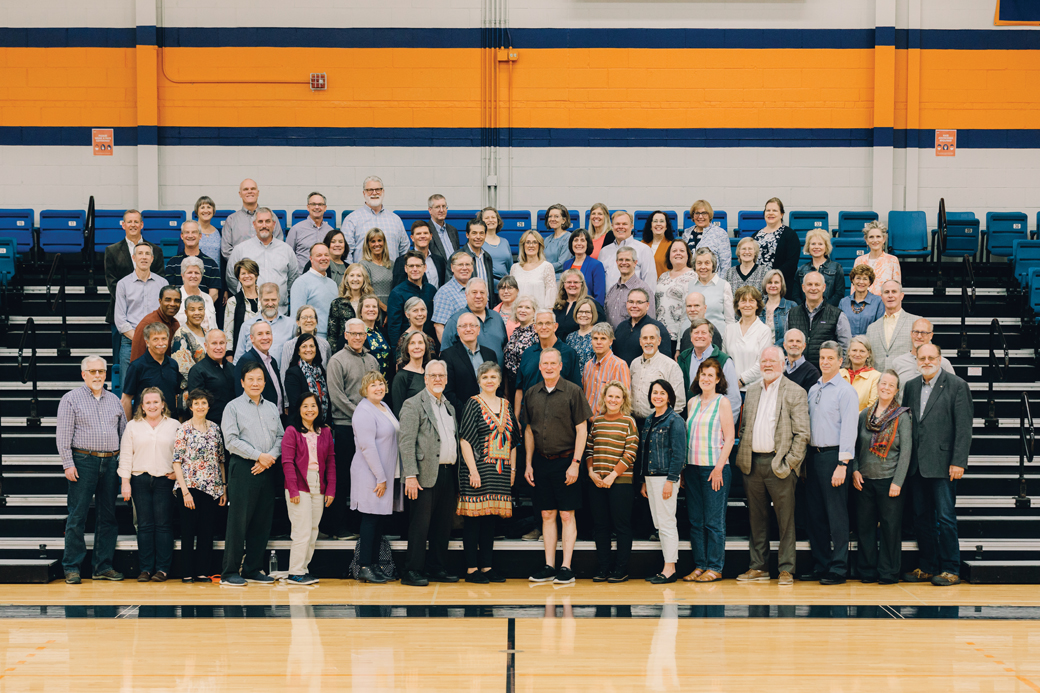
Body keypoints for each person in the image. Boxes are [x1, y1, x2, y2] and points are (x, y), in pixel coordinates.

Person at [734, 346, 810, 586]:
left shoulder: (795, 391)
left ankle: (786, 568)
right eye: (763, 361)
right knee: (756, 519)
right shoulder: (753, 391)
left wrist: (789, 464)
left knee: (785, 520)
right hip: (753, 464)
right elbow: (745, 427)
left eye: (772, 361)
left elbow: (802, 434)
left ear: (782, 363)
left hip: (781, 464)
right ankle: (758, 567)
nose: (767, 365)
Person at [902, 344, 972, 587]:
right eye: (922, 358)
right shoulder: (911, 386)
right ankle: (928, 566)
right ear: (917, 360)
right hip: (917, 465)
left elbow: (964, 428)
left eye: (932, 357)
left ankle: (951, 568)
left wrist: (958, 462)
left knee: (945, 517)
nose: (927, 361)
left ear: (940, 359)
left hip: (944, 465)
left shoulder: (957, 385)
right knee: (921, 517)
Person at [523, 349, 594, 584]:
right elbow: (529, 431)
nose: (549, 367)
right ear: (540, 367)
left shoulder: (573, 391)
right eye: (545, 363)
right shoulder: (532, 393)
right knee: (546, 514)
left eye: (553, 363)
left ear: (560, 365)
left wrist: (576, 463)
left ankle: (566, 567)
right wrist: (528, 464)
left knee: (566, 514)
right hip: (541, 462)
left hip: (567, 461)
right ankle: (549, 565)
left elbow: (582, 429)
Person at [57, 356, 127, 584]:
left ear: (106, 374)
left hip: (110, 462)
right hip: (83, 461)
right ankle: (72, 567)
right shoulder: (71, 399)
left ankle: (102, 566)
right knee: (77, 516)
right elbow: (63, 435)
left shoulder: (114, 400)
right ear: (83, 374)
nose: (98, 375)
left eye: (101, 371)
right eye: (92, 371)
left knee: (108, 516)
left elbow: (123, 432)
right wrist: (68, 463)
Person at [220, 362, 285, 586]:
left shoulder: (270, 408)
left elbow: (281, 437)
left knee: (262, 521)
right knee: (239, 522)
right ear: (242, 382)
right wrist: (258, 456)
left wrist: (268, 459)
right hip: (244, 467)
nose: (255, 383)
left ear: (265, 382)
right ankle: (229, 572)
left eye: (259, 379)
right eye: (251, 379)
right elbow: (231, 441)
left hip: (267, 467)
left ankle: (253, 568)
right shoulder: (233, 407)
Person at [399, 360, 461, 587]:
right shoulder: (413, 404)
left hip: (446, 472)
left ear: (446, 379)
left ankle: (437, 567)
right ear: (425, 379)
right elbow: (406, 443)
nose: (437, 379)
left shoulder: (449, 407)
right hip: (423, 475)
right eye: (433, 375)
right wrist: (411, 476)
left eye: (441, 376)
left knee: (443, 525)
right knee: (420, 525)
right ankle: (412, 570)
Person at [804, 341, 860, 585]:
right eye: (822, 358)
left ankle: (838, 567)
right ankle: (821, 563)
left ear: (840, 361)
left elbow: (849, 428)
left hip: (834, 458)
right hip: (813, 456)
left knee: (836, 515)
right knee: (815, 514)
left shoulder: (845, 391)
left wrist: (843, 464)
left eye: (830, 358)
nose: (825, 362)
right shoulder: (814, 389)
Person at [458, 361, 519, 583]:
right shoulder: (473, 404)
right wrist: (473, 471)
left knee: (490, 522)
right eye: (485, 378)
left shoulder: (506, 405)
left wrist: (512, 469)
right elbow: (465, 439)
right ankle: (471, 569)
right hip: (478, 471)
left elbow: (512, 441)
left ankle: (487, 567)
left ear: (500, 380)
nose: (490, 381)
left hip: (500, 472)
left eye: (493, 377)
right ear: (479, 381)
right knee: (474, 521)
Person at [853, 370, 912, 585]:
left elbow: (906, 451)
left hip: (890, 481)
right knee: (865, 527)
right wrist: (855, 470)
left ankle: (888, 572)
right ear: (877, 386)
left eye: (891, 385)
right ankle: (867, 571)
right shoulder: (864, 415)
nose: (886, 387)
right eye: (883, 383)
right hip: (864, 480)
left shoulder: (902, 416)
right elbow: (856, 446)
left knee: (890, 529)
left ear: (896, 390)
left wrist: (898, 481)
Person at [683, 361, 736, 583]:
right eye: (702, 374)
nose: (705, 378)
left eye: (710, 375)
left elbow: (730, 438)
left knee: (714, 522)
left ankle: (715, 566)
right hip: (693, 469)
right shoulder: (692, 402)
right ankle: (700, 565)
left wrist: (719, 467)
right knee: (696, 521)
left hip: (715, 468)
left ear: (717, 379)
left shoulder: (722, 402)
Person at [119, 387, 180, 582]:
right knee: (144, 525)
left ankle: (162, 569)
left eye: (156, 402)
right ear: (142, 407)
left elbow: (182, 454)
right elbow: (127, 455)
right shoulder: (133, 426)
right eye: (148, 403)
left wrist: (178, 476)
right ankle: (145, 568)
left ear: (163, 404)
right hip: (140, 479)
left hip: (165, 480)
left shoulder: (175, 425)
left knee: (163, 525)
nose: (152, 405)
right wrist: (125, 482)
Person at [326, 319, 380, 539]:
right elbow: (337, 397)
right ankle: (338, 527)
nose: (358, 337)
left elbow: (377, 390)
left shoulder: (372, 360)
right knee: (343, 478)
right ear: (346, 335)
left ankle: (359, 526)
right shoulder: (337, 361)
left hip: (369, 430)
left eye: (361, 334)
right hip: (346, 428)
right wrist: (362, 416)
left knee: (365, 479)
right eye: (353, 334)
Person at [350, 372, 404, 583]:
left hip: (384, 474)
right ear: (365, 388)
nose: (378, 387)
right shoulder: (363, 411)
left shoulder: (383, 406)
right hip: (371, 474)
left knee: (379, 520)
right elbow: (367, 447)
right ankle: (364, 566)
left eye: (381, 383)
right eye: (373, 384)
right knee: (370, 519)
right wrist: (381, 478)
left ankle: (374, 565)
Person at [585, 381, 639, 582]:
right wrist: (591, 472)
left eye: (617, 397)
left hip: (620, 483)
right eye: (610, 396)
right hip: (597, 482)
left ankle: (621, 569)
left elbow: (630, 453)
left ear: (623, 400)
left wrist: (612, 475)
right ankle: (603, 567)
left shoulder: (629, 422)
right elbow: (589, 448)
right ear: (604, 398)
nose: (613, 400)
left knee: (621, 526)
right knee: (601, 526)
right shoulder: (597, 422)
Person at [281, 393, 336, 585]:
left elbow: (330, 461)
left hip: (318, 484)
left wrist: (330, 489)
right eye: (305, 406)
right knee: (301, 530)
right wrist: (293, 490)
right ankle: (295, 572)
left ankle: (303, 569)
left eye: (313, 406)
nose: (310, 409)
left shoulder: (325, 432)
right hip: (299, 485)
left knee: (313, 530)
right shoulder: (292, 431)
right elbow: (287, 462)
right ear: (299, 409)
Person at [172, 388, 227, 583]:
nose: (200, 406)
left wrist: (223, 487)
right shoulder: (183, 428)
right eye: (196, 403)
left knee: (206, 531)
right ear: (190, 406)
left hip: (211, 487)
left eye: (203, 403)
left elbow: (220, 460)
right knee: (188, 531)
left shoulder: (215, 428)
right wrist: (185, 491)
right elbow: (176, 461)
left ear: (208, 406)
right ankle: (187, 572)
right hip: (189, 487)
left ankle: (203, 572)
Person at [638, 379, 686, 584]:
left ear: (669, 397)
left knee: (667, 523)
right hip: (650, 477)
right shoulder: (649, 420)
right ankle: (666, 567)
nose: (657, 396)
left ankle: (670, 569)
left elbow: (679, 454)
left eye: (662, 393)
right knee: (660, 524)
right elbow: (646, 452)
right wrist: (643, 481)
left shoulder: (675, 420)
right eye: (654, 392)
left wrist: (671, 480)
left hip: (666, 477)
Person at [105, 210, 164, 366]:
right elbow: (112, 282)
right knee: (122, 365)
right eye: (129, 222)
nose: (133, 225)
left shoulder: (155, 251)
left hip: (151, 320)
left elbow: (159, 283)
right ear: (123, 225)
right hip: (123, 317)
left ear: (141, 224)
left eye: (136, 222)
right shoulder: (111, 251)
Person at [225, 208, 299, 315]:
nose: (264, 225)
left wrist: (281, 295)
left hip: (279, 312)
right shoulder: (240, 249)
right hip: (248, 312)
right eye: (260, 222)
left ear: (274, 224)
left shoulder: (286, 250)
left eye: (268, 221)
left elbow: (293, 278)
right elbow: (232, 278)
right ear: (254, 225)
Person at [114, 243, 170, 380]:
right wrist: (140, 339)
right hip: (130, 343)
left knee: (156, 387)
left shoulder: (163, 283)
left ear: (152, 258)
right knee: (127, 388)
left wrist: (153, 340)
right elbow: (120, 320)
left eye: (147, 254)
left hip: (158, 343)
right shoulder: (123, 284)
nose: (143, 257)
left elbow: (166, 315)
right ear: (134, 257)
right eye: (140, 253)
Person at [513, 311, 581, 413]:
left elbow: (576, 391)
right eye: (540, 323)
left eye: (548, 323)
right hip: (529, 416)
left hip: (559, 416)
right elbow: (519, 389)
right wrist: (517, 419)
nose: (544, 327)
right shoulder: (528, 353)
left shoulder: (568, 354)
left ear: (555, 326)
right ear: (535, 327)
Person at [677, 318, 742, 420]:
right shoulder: (683, 358)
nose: (699, 336)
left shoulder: (724, 360)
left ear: (711, 337)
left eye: (704, 333)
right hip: (688, 421)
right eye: (696, 332)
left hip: (714, 422)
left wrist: (726, 427)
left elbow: (733, 399)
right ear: (691, 337)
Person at [786, 271, 852, 368]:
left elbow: (846, 349)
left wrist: (840, 372)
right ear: (803, 288)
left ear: (823, 287)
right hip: (798, 374)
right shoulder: (792, 314)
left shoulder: (838, 315)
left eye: (817, 284)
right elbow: (787, 345)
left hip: (826, 374)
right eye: (809, 284)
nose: (813, 288)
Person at [439, 278, 508, 366]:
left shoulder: (497, 317)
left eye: (482, 292)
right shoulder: (455, 320)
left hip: (496, 377)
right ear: (466, 295)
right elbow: (445, 355)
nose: (478, 296)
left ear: (487, 295)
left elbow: (504, 350)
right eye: (474, 292)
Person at [443, 312, 501, 415]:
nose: (468, 329)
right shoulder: (448, 356)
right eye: (464, 326)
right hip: (463, 416)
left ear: (478, 330)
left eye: (472, 325)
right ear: (458, 331)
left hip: (491, 414)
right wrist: (468, 413)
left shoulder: (490, 354)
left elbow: (498, 386)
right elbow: (448, 392)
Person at [342, 176, 409, 263]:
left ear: (383, 192)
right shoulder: (352, 219)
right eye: (370, 190)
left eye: (378, 189)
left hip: (392, 274)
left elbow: (404, 250)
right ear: (364, 193)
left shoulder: (395, 220)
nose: (374, 193)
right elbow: (346, 253)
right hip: (362, 275)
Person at [121, 322, 180, 420]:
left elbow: (175, 396)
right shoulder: (137, 366)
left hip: (169, 424)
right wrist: (128, 427)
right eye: (155, 339)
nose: (160, 343)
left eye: (164, 339)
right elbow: (126, 399)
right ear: (147, 342)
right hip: (144, 424)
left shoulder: (173, 364)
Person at [723, 286, 775, 392]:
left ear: (757, 305)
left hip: (754, 390)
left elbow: (763, 362)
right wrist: (730, 383)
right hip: (730, 389)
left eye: (751, 301)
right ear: (737, 305)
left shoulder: (764, 330)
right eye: (743, 301)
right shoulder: (729, 329)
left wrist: (741, 381)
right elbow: (724, 360)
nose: (747, 305)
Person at [630, 324, 686, 420]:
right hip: (635, 423)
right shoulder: (634, 364)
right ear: (640, 341)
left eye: (652, 338)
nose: (648, 342)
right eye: (645, 338)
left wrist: (663, 421)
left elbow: (679, 402)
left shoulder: (671, 366)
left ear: (659, 341)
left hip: (659, 424)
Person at [220, 178, 284, 260]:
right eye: (246, 189)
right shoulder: (231, 219)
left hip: (267, 268)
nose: (249, 191)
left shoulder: (271, 217)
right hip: (241, 270)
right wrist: (244, 266)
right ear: (240, 194)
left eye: (253, 189)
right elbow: (226, 250)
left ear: (258, 193)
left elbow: (279, 244)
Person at [388, 250, 438, 351]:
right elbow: (394, 327)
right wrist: (396, 354)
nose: (415, 269)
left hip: (429, 346)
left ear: (425, 267)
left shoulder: (431, 290)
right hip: (408, 348)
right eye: (411, 266)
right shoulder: (397, 293)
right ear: (405, 268)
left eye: (418, 266)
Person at [889, 318, 955, 395]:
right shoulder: (898, 363)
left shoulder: (942, 363)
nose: (919, 336)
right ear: (911, 334)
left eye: (924, 333)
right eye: (916, 332)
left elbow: (953, 391)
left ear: (931, 335)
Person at [865, 280, 919, 373]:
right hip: (879, 382)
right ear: (882, 297)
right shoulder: (872, 328)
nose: (890, 295)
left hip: (907, 382)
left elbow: (926, 353)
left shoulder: (916, 322)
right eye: (886, 292)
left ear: (901, 296)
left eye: (894, 292)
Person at [233, 283, 294, 364]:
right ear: (260, 299)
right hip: (254, 375)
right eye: (266, 300)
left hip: (283, 375)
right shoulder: (247, 326)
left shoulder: (291, 325)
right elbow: (238, 359)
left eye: (273, 300)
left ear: (279, 299)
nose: (270, 303)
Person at [752, 197, 801, 295]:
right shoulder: (755, 236)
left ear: (781, 214)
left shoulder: (790, 235)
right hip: (757, 286)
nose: (771, 213)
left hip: (779, 286)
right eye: (768, 210)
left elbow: (791, 263)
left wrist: (772, 278)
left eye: (775, 210)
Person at [290, 243, 338, 339]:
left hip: (332, 340)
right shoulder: (301, 282)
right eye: (319, 255)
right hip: (311, 339)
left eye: (326, 255)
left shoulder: (333, 284)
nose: (323, 258)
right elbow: (295, 319)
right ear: (311, 259)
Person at [582, 322, 631, 416]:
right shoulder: (588, 366)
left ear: (610, 341)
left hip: (608, 423)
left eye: (603, 338)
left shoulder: (619, 365)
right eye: (595, 338)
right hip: (588, 422)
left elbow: (625, 401)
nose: (598, 342)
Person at [279, 305, 332, 391]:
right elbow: (283, 375)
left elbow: (328, 374)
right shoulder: (289, 346)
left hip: (321, 396)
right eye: (304, 317)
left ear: (316, 321)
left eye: (311, 317)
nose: (308, 320)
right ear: (298, 322)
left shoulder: (325, 345)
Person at [233, 321, 284, 412]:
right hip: (258, 418)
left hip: (277, 416)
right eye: (260, 334)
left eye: (268, 333)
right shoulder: (246, 360)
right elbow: (241, 395)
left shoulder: (273, 362)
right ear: (252, 338)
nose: (265, 337)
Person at [613, 288, 673, 362]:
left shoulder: (657, 328)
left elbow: (665, 361)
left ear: (647, 305)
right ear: (627, 304)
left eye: (639, 302)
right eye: (631, 302)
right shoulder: (621, 327)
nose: (634, 306)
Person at [165, 221, 221, 302]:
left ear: (200, 236)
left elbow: (214, 294)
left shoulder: (211, 264)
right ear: (182, 236)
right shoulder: (172, 263)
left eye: (194, 232)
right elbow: (171, 292)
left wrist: (198, 309)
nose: (190, 236)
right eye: (187, 232)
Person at [327, 263, 376, 354]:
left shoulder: (370, 302)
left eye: (359, 276)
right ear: (346, 279)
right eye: (352, 275)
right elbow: (332, 335)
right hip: (344, 350)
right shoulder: (338, 303)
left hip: (368, 349)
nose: (355, 279)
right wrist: (334, 355)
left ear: (364, 279)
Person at [187, 330, 235, 423]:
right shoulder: (198, 370)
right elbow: (196, 405)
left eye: (221, 343)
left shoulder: (232, 368)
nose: (218, 347)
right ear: (206, 346)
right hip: (211, 425)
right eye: (214, 343)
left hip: (234, 422)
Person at [655, 240, 698, 342]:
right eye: (674, 250)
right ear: (669, 256)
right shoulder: (663, 276)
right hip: (661, 334)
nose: (678, 253)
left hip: (683, 334)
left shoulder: (694, 276)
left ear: (688, 255)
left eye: (682, 250)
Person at [600, 211, 657, 286]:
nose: (621, 227)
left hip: (635, 297)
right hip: (609, 297)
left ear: (631, 226)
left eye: (624, 224)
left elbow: (650, 282)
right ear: (612, 226)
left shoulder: (643, 249)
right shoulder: (604, 251)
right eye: (617, 224)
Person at [604, 247, 657, 327]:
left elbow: (650, 322)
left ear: (635, 263)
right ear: (617, 262)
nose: (624, 263)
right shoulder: (612, 290)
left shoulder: (643, 289)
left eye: (627, 260)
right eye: (621, 260)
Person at [688, 247, 734, 337]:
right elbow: (684, 319)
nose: (703, 267)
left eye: (707, 263)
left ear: (713, 265)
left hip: (718, 338)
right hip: (694, 339)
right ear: (694, 265)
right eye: (699, 263)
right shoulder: (689, 286)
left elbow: (730, 320)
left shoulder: (724, 285)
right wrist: (678, 347)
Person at [129, 284, 182, 364]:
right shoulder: (147, 323)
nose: (172, 304)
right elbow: (136, 359)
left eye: (176, 301)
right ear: (160, 301)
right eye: (168, 300)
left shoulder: (175, 324)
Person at [792, 229, 845, 306]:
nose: (816, 247)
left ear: (826, 246)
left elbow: (839, 294)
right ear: (808, 246)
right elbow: (795, 295)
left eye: (820, 244)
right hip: (805, 314)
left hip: (829, 314)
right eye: (813, 244)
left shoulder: (836, 268)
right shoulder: (801, 270)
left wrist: (823, 310)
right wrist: (806, 310)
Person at [286, 192, 335, 272]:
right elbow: (287, 256)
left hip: (325, 278)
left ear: (325, 208)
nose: (317, 207)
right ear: (308, 207)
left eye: (320, 204)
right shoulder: (296, 229)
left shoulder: (330, 231)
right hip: (302, 278)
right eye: (313, 204)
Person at [553, 269, 608, 341]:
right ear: (563, 284)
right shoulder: (558, 305)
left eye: (576, 282)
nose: (572, 285)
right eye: (569, 282)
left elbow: (602, 330)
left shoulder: (591, 304)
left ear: (582, 284)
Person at [510, 230, 557, 312]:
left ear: (539, 246)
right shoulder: (515, 268)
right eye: (527, 242)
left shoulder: (547, 267)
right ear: (523, 245)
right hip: (519, 317)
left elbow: (550, 300)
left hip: (539, 318)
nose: (531, 245)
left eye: (535, 242)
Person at [171, 296, 209, 394]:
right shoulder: (181, 335)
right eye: (192, 310)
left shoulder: (206, 332)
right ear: (186, 312)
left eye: (200, 309)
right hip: (193, 391)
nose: (197, 313)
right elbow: (184, 370)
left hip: (208, 387)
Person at [433, 251, 476, 340]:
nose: (464, 268)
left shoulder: (477, 289)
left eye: (467, 264)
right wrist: (449, 351)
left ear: (472, 268)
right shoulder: (444, 293)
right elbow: (439, 327)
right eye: (460, 265)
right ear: (452, 268)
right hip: (458, 348)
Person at [284, 333, 330, 415]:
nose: (308, 349)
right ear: (298, 351)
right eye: (304, 346)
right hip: (301, 424)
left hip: (322, 423)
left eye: (311, 346)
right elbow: (296, 405)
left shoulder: (320, 371)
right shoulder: (293, 373)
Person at [223, 259, 261, 358]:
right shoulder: (233, 301)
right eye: (243, 273)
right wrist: (229, 354)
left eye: (250, 272)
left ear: (256, 275)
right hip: (242, 353)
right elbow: (228, 331)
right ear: (239, 277)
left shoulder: (265, 298)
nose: (247, 276)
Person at [682, 199, 731, 275]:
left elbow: (725, 263)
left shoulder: (720, 233)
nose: (700, 217)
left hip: (712, 280)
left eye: (704, 213)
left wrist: (721, 284)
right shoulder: (686, 233)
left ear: (709, 215)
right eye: (697, 213)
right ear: (693, 215)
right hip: (689, 279)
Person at [392, 221, 446, 289]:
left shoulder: (439, 260)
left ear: (431, 236)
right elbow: (398, 290)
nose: (422, 236)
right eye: (418, 234)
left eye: (425, 233)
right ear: (412, 238)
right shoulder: (402, 261)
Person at [854, 220, 901, 295]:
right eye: (871, 237)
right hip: (863, 305)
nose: (875, 240)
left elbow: (897, 290)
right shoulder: (859, 260)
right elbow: (854, 289)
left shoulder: (892, 260)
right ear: (866, 240)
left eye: (878, 236)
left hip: (884, 305)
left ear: (884, 239)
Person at [839, 264, 886, 337]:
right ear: (853, 280)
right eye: (858, 278)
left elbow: (880, 328)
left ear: (870, 282)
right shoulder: (843, 302)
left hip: (870, 344)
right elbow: (840, 328)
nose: (861, 282)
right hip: (849, 345)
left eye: (865, 279)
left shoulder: (878, 301)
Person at [173, 257, 217, 332]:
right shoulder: (175, 298)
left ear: (201, 276)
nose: (193, 276)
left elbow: (214, 326)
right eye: (189, 272)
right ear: (182, 276)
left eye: (197, 273)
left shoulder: (208, 298)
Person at [503, 296, 539, 384]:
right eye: (520, 307)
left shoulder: (537, 333)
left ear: (534, 311)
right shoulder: (516, 332)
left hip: (528, 383)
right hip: (511, 382)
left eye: (527, 307)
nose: (522, 310)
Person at [841, 335, 881, 411]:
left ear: (868, 354)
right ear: (849, 352)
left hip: (861, 421)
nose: (857, 354)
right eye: (854, 350)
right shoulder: (839, 374)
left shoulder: (876, 377)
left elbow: (872, 408)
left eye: (862, 351)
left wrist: (849, 417)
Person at [568, 229, 606, 303]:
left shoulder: (596, 265)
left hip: (588, 310)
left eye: (582, 240)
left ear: (587, 244)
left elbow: (599, 295)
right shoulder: (567, 264)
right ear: (571, 244)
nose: (579, 243)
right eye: (576, 240)